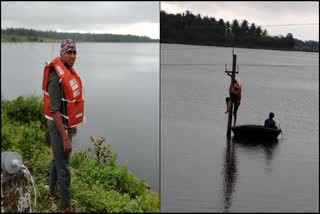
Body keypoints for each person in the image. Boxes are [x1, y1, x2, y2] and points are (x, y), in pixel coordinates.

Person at [42, 39, 84, 213]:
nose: (73, 56)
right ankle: (66, 207)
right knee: (64, 167)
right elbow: (54, 111)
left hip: (64, 125)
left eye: (74, 52)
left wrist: (72, 125)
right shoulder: (55, 76)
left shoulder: (67, 71)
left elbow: (68, 103)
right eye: (69, 52)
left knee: (56, 160)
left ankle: (52, 193)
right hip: (57, 125)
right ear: (62, 53)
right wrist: (65, 137)